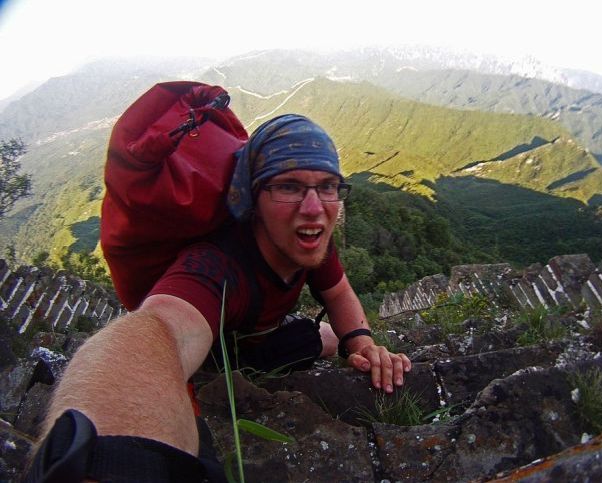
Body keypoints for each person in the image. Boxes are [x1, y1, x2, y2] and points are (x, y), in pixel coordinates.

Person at [26, 114, 411, 482]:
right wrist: (115, 458)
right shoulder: (214, 267)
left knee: (332, 338)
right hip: (214, 354)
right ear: (253, 200)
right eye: (288, 186)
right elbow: (161, 327)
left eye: (327, 186)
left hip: (265, 336)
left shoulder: (307, 238)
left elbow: (338, 290)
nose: (314, 208)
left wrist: (361, 343)